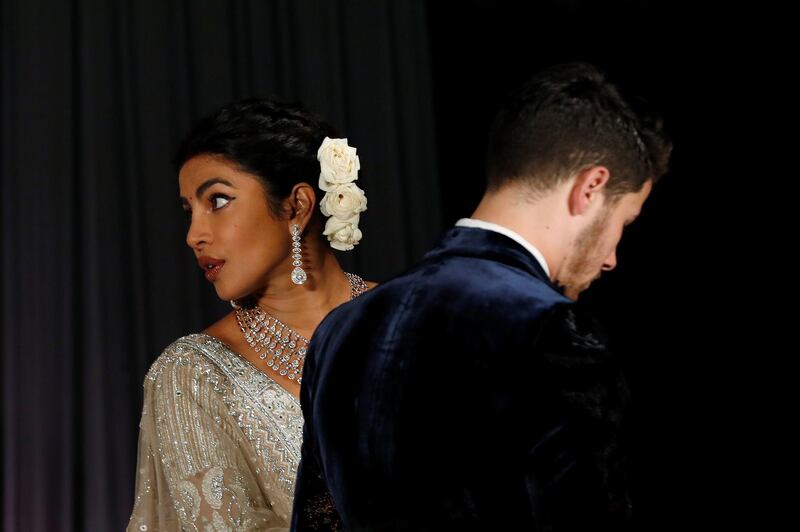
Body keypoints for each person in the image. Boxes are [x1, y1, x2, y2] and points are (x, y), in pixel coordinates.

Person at [292, 62, 671, 531]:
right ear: (590, 188)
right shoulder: (550, 332)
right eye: (624, 222)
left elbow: (316, 521)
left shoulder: (340, 330)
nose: (612, 256)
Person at [128, 98, 374, 531]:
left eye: (218, 201)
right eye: (190, 212)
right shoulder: (192, 376)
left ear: (297, 205)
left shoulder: (414, 319)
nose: (194, 236)